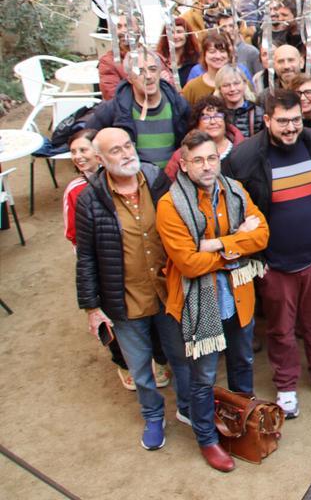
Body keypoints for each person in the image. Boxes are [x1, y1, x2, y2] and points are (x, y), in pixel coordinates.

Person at [224, 89, 311, 418]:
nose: (291, 127)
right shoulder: (244, 157)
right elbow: (235, 212)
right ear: (266, 120)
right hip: (274, 265)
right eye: (282, 122)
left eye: (296, 120)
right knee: (280, 329)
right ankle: (286, 384)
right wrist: (257, 260)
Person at [156, 130, 269, 472]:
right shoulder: (169, 205)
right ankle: (207, 439)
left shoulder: (234, 190)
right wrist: (237, 244)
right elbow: (188, 264)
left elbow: (262, 234)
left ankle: (245, 423)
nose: (207, 166)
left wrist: (216, 244)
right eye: (198, 160)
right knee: (202, 376)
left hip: (238, 295)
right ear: (185, 165)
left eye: (211, 158)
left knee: (243, 361)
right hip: (199, 302)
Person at [75, 127, 192, 452]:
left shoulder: (156, 181)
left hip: (167, 292)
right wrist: (91, 306)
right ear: (100, 159)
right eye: (116, 150)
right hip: (124, 300)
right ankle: (153, 417)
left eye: (128, 145)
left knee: (180, 358)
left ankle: (185, 408)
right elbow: (85, 256)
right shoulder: (89, 199)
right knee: (141, 368)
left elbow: (181, 227)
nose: (127, 153)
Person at [82, 48, 191, 169]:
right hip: (134, 181)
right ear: (129, 77)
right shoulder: (113, 109)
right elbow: (86, 142)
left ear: (160, 72)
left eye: (153, 69)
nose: (148, 76)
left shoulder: (179, 105)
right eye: (140, 71)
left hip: (173, 179)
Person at [163, 96, 243, 180]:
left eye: (218, 116)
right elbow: (169, 183)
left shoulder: (242, 148)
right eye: (206, 118)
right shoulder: (181, 155)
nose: (213, 122)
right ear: (197, 123)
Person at [182, 32, 247, 105]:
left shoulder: (240, 82)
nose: (218, 56)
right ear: (204, 55)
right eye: (212, 52)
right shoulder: (193, 87)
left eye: (222, 51)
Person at [98, 13, 139, 100]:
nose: (123, 30)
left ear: (139, 29)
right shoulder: (108, 61)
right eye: (119, 27)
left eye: (128, 26)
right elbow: (113, 96)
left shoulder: (150, 56)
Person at [215, 65, 260, 140]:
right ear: (220, 89)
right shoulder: (215, 114)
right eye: (226, 85)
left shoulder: (258, 113)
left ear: (245, 84)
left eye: (236, 83)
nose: (232, 89)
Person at [216, 9, 262, 77]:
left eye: (231, 26)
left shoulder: (251, 52)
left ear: (239, 26)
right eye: (224, 27)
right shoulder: (217, 54)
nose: (228, 30)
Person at [157, 17, 200, 88]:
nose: (175, 36)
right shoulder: (158, 59)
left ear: (187, 34)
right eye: (171, 32)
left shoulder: (196, 59)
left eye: (179, 32)